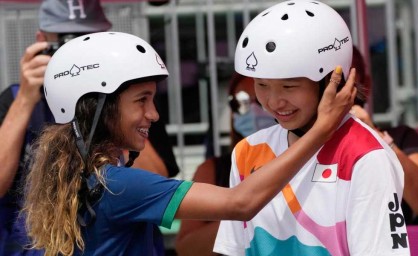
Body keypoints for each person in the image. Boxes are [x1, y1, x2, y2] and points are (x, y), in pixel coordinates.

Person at [21, 31, 355, 256]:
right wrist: (321, 129)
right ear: (99, 107)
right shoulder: (119, 185)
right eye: (142, 100)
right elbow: (241, 202)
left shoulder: (79, 178)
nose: (153, 114)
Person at [213, 1, 410, 255]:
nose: (273, 102)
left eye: (289, 86)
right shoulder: (247, 151)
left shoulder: (366, 156)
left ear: (332, 80)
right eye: (261, 85)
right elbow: (232, 250)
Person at [0, 0, 112, 254]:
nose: (76, 54)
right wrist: (26, 98)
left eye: (87, 41)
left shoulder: (127, 97)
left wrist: (109, 96)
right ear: (42, 41)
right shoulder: (15, 99)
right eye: (64, 42)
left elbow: (155, 178)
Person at [175, 73, 276, 255]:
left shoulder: (310, 162)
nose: (252, 110)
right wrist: (243, 210)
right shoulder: (214, 170)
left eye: (260, 101)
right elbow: (186, 248)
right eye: (240, 103)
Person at [350, 46, 418, 225]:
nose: (334, 92)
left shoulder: (402, 137)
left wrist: (375, 136)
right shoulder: (292, 143)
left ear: (366, 84)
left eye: (346, 80)